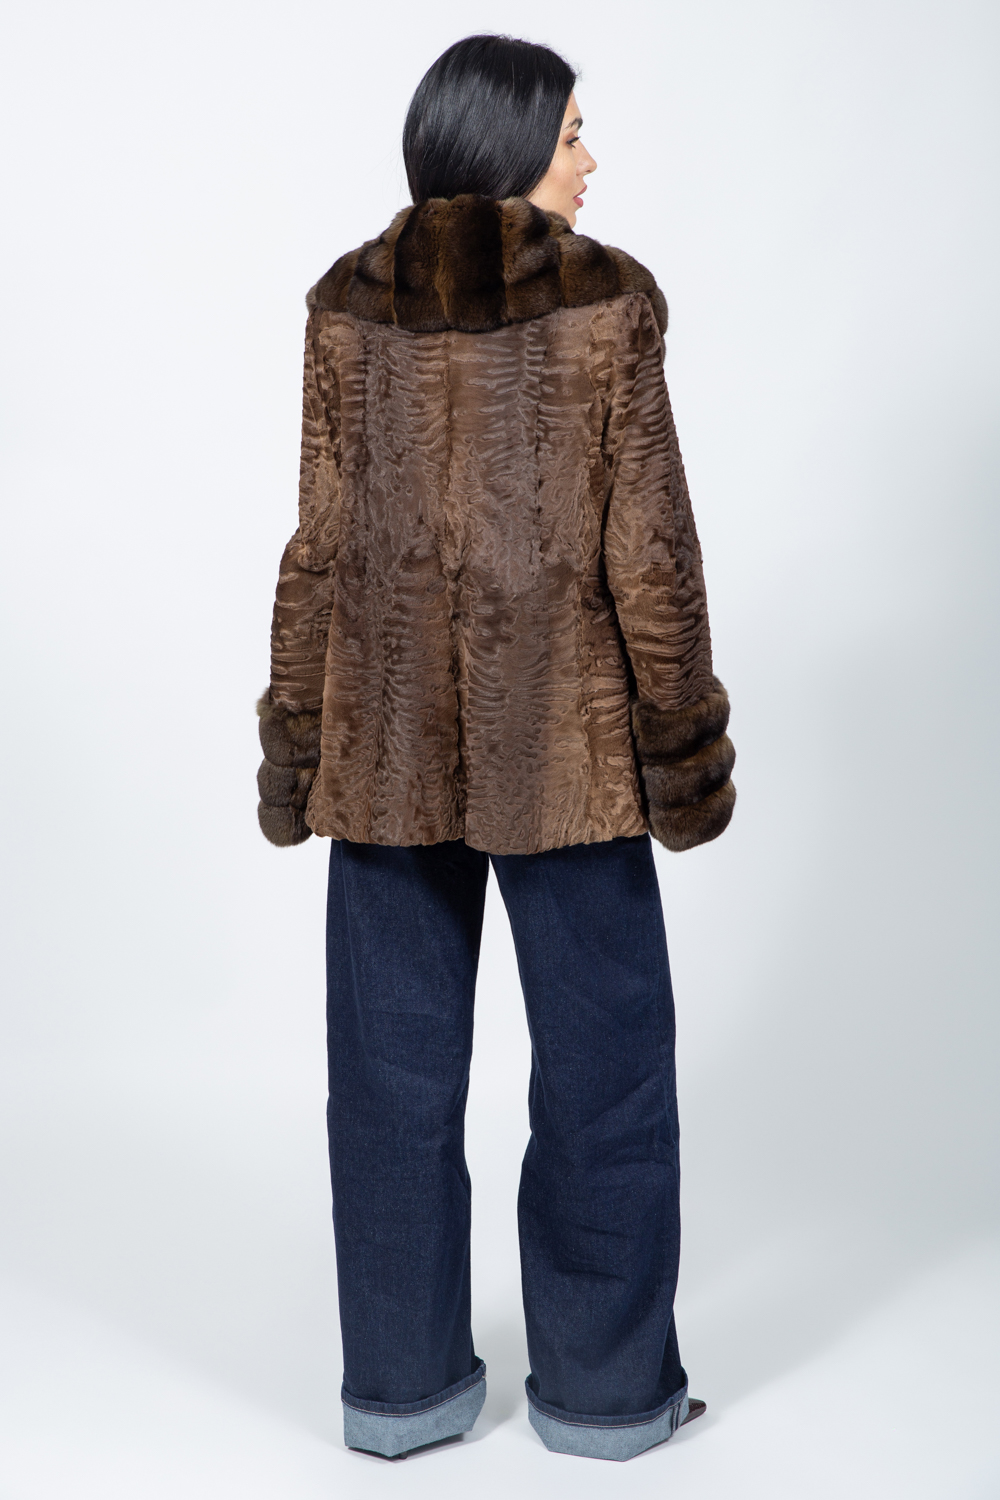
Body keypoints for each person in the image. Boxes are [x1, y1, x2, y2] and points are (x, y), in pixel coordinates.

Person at [255, 33, 735, 1463]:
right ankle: (606, 1397)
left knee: (388, 1081)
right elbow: (651, 553)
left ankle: (399, 1394)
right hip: (567, 752)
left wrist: (298, 738)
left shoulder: (348, 309)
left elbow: (318, 550)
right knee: (607, 1071)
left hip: (384, 750)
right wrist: (681, 745)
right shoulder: (609, 304)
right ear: (509, 143)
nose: (591, 159)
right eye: (573, 132)